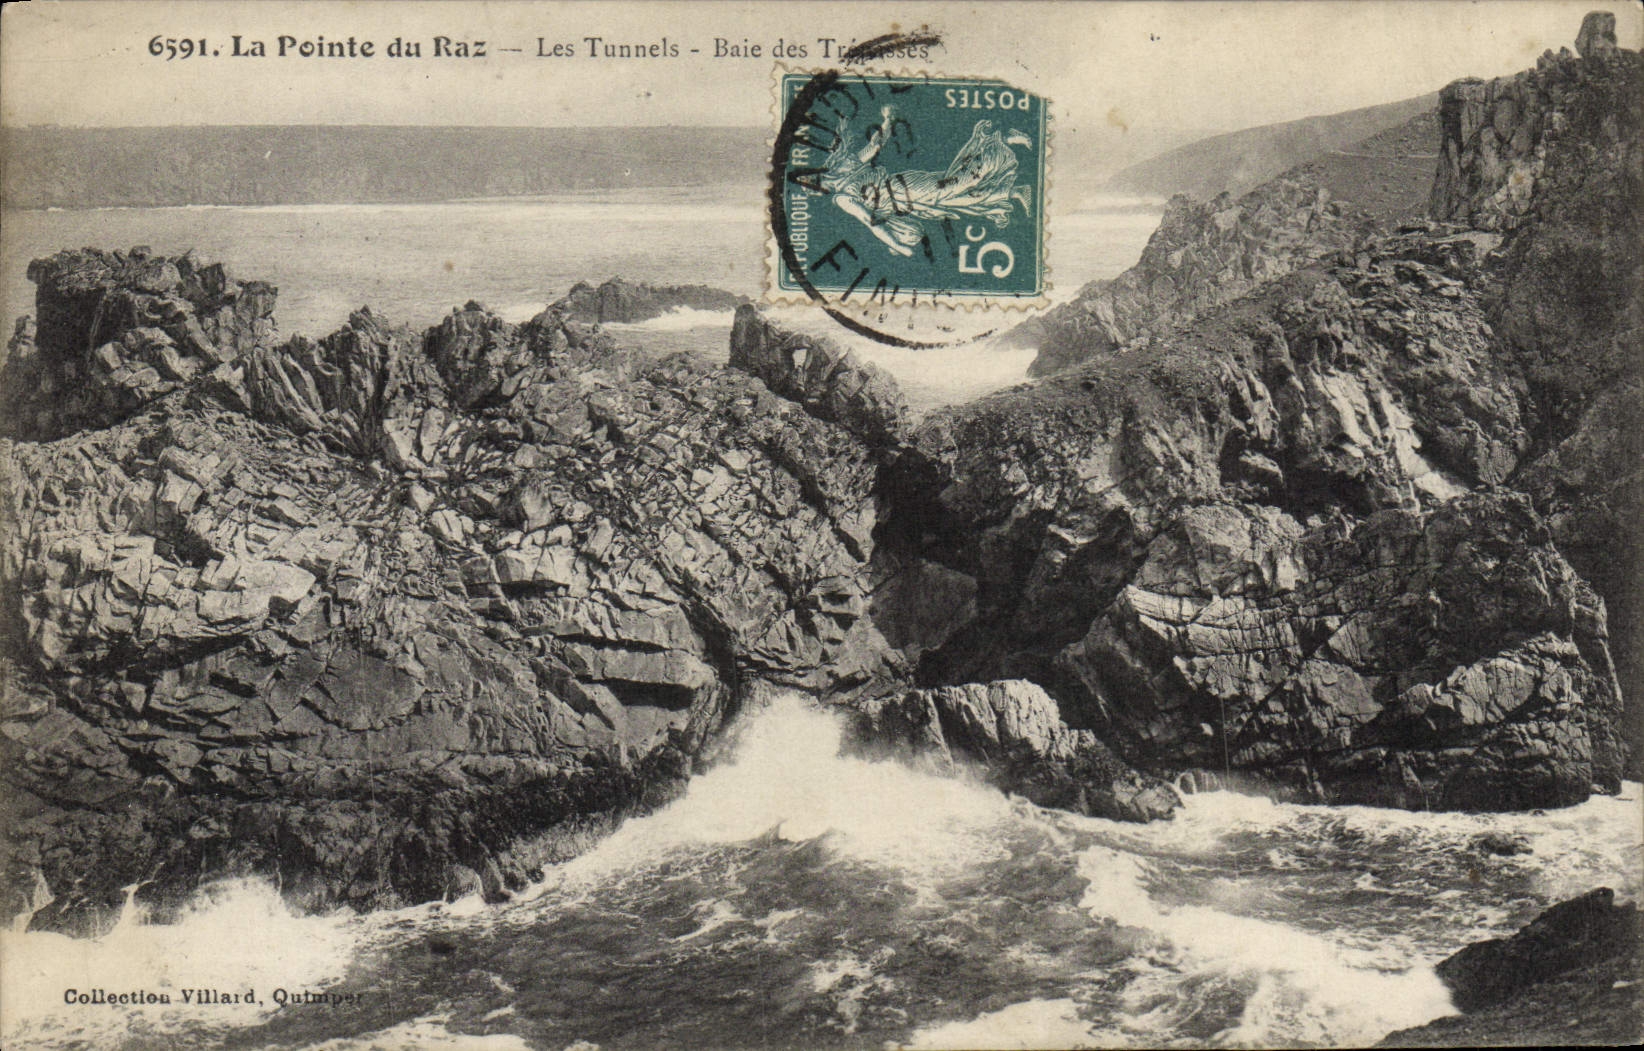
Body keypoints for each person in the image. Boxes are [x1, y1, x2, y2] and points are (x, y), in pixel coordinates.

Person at [819, 105, 1034, 257]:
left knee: (960, 183)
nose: (817, 191)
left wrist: (898, 246)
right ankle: (1015, 191)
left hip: (907, 192)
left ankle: (1002, 139)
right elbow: (875, 145)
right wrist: (888, 120)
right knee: (959, 199)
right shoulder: (847, 168)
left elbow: (869, 220)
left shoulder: (842, 197)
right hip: (907, 195)